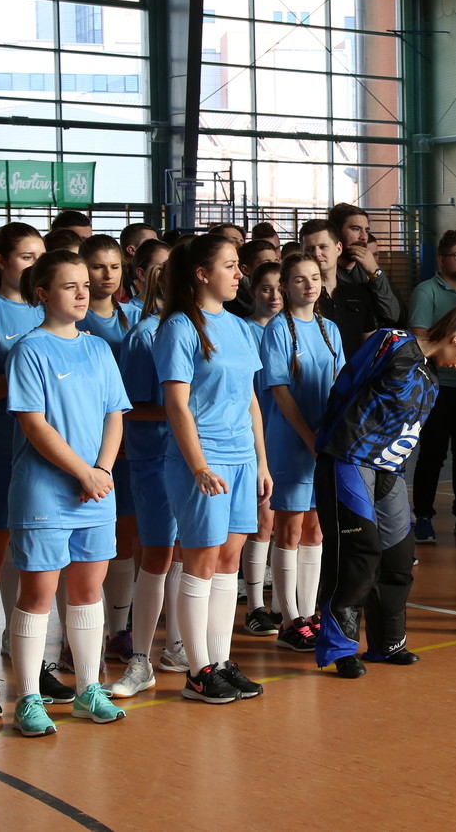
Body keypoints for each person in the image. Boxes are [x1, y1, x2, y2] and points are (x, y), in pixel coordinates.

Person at [313, 306, 456, 677]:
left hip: (389, 471)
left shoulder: (432, 378)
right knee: (358, 554)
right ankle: (340, 648)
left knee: (399, 556)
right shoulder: (392, 342)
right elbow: (346, 385)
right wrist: (326, 441)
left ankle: (387, 643)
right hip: (350, 457)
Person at [3, 250, 130, 736]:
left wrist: (101, 470)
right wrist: (82, 472)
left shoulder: (99, 349)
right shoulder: (29, 350)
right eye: (69, 286)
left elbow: (114, 415)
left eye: (85, 285)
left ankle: (88, 690)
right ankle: (28, 697)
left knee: (88, 592)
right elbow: (34, 425)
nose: (82, 293)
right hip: (45, 493)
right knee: (38, 594)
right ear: (42, 293)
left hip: (96, 490)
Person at [0, 223, 70, 720]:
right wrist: (31, 366)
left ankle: (32, 666)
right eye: (25, 257)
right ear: (0, 261)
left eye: (41, 257)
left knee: (33, 566)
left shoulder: (51, 314)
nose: (34, 265)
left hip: (41, 458)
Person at [153, 234, 274, 704]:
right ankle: (197, 670)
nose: (240, 274)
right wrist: (199, 465)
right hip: (203, 462)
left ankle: (221, 661)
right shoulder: (180, 327)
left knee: (229, 562)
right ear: (202, 274)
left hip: (242, 459)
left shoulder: (240, 327)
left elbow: (250, 400)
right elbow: (177, 405)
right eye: (230, 265)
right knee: (201, 562)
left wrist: (261, 461)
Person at [110, 263, 189, 699]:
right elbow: (131, 407)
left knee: (184, 554)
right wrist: (182, 412)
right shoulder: (145, 335)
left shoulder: (198, 329)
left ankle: (176, 645)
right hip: (155, 457)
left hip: (192, 457)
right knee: (157, 555)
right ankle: (140, 658)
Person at [262, 253, 341, 654]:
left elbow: (341, 383)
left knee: (316, 530)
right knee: (289, 531)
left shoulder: (331, 329)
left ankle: (310, 613)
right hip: (292, 444)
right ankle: (288, 618)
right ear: (285, 287)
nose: (309, 285)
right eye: (299, 279)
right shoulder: (277, 331)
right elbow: (280, 391)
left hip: (323, 443)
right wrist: (309, 437)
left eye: (314, 277)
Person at [75, 235, 140, 666]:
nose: (107, 275)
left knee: (127, 536)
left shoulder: (135, 317)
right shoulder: (74, 321)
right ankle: (79, 634)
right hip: (88, 444)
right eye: (98, 266)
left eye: (114, 266)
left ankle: (119, 629)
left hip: (131, 441)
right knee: (89, 547)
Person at [407, 229, 456, 544]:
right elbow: (419, 339)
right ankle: (423, 515)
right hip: (439, 386)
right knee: (432, 452)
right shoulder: (426, 292)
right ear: (441, 260)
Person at [238, 260, 284, 639]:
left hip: (291, 439)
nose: (274, 295)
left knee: (292, 525)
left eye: (280, 288)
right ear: (252, 290)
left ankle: (287, 607)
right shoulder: (244, 331)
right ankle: (255, 606)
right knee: (263, 522)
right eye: (266, 288)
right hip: (258, 439)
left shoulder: (297, 330)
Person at [302, 219, 382, 353]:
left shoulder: (359, 295)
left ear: (338, 248)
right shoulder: (298, 297)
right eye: (309, 249)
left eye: (323, 247)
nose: (316, 253)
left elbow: (370, 348)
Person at [328, 203, 402, 326]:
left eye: (366, 230)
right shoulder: (324, 272)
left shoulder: (371, 271)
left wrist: (375, 273)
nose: (364, 237)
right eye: (356, 229)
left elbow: (392, 315)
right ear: (336, 232)